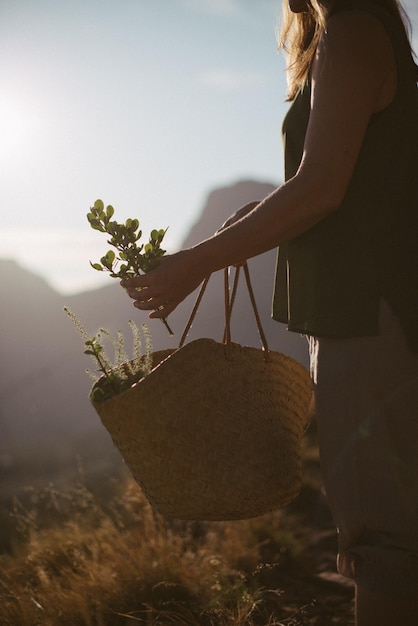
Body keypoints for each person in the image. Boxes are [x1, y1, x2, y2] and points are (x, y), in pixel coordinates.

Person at [122, 1, 418, 624]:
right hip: (359, 311)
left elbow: (322, 188)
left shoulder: (355, 29)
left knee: (383, 539)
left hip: (370, 314)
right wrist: (252, 218)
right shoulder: (354, 32)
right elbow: (345, 179)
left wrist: (196, 262)